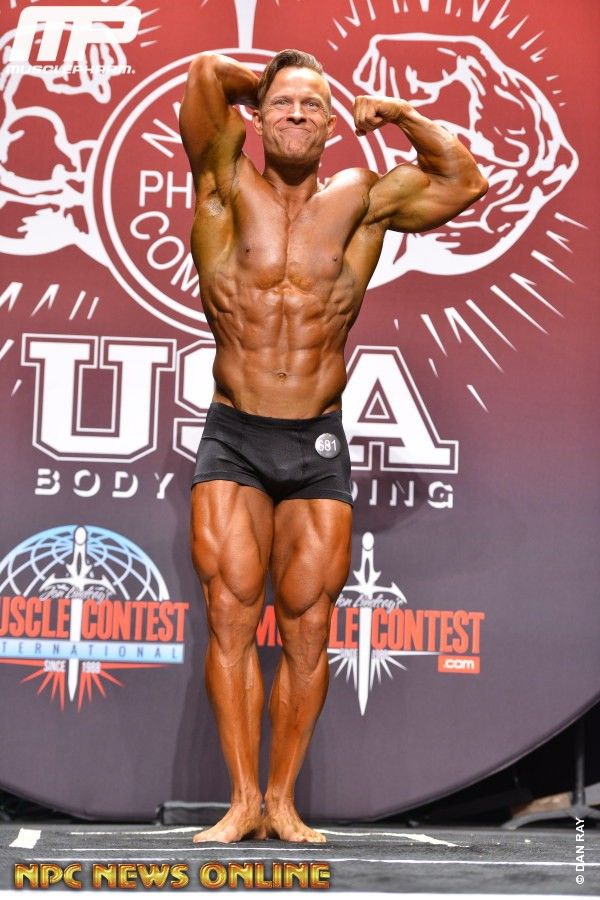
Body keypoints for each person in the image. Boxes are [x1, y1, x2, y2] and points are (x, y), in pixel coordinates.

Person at [179, 48, 487, 844]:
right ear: (257, 116)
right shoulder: (222, 181)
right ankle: (241, 800)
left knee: (309, 627)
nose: (296, 115)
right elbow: (207, 73)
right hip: (235, 436)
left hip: (315, 440)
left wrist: (403, 114)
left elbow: (464, 181)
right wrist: (277, 76)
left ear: (331, 124)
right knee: (230, 616)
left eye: (313, 106)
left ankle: (282, 802)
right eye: (282, 103)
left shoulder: (362, 201)